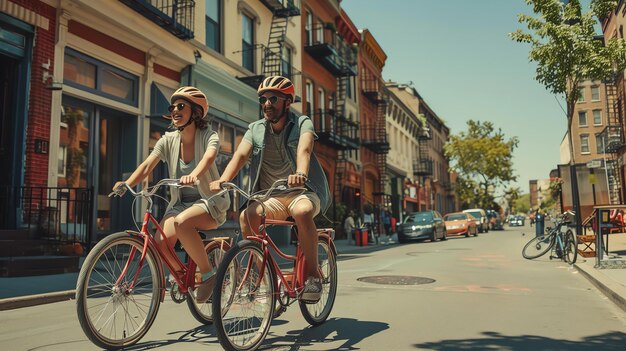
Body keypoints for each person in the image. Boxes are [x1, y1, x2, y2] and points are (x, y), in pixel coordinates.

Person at [210, 75, 330, 303]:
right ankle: (261, 273)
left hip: (301, 192)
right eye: (263, 99)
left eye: (273, 98)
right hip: (271, 195)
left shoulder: (302, 123)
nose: (266, 104)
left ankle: (313, 276)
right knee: (247, 216)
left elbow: (304, 150)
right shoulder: (255, 129)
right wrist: (223, 179)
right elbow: (241, 155)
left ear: (287, 102)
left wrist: (301, 174)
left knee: (302, 212)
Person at [112, 86, 230, 303]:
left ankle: (208, 275)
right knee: (158, 244)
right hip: (180, 204)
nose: (175, 110)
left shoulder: (208, 135)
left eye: (181, 106)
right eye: (172, 106)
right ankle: (183, 274)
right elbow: (147, 165)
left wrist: (193, 175)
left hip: (209, 202)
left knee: (182, 223)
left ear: (195, 112)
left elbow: (209, 158)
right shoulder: (168, 140)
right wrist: (126, 184)